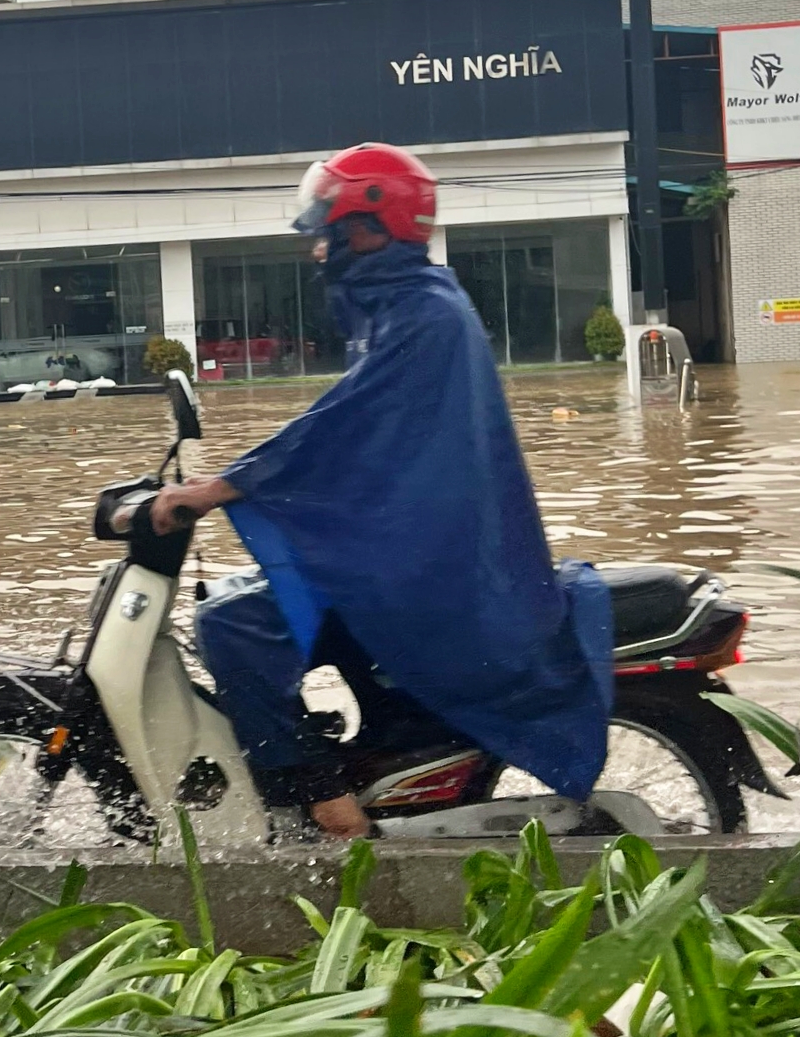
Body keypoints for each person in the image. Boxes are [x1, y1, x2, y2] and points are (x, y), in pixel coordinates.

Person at [150, 144, 612, 839]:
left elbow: (340, 427)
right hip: (417, 541)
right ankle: (376, 756)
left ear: (365, 229)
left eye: (325, 233)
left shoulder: (422, 316)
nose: (317, 251)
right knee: (235, 600)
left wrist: (224, 486)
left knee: (234, 625)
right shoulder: (409, 304)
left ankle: (323, 797)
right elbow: (355, 425)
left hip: (424, 558)